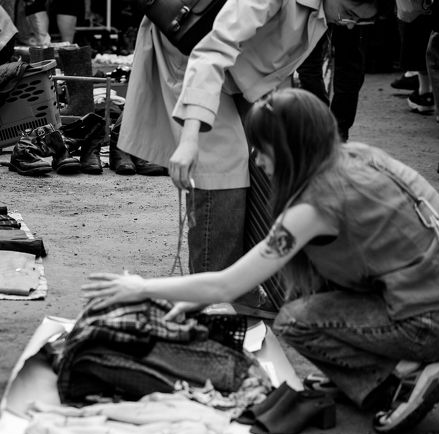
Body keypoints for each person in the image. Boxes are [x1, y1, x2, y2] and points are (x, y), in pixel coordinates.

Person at [84, 88, 439, 434]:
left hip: (426, 318)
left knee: (296, 321)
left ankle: (395, 385)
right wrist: (197, 296)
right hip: (422, 297)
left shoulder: (315, 206)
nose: (256, 158)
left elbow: (228, 284)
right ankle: (387, 371)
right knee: (306, 298)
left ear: (288, 148)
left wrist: (141, 287)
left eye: (263, 147)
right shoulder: (356, 157)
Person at [118, 0, 377, 307]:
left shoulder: (322, 9)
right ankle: (213, 303)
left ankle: (240, 291)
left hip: (238, 70)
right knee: (222, 169)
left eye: (358, 22)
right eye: (349, 14)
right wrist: (190, 139)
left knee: (260, 167)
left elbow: (274, 61)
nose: (348, 24)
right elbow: (212, 50)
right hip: (194, 55)